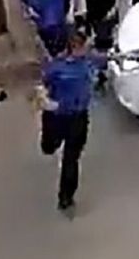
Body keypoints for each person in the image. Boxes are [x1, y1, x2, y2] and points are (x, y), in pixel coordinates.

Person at [37, 30, 96, 212]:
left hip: (67, 115)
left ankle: (66, 196)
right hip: (66, 115)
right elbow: (42, 86)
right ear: (76, 48)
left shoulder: (60, 66)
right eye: (85, 46)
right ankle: (66, 197)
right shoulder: (71, 67)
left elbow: (43, 84)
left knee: (70, 159)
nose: (88, 49)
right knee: (64, 154)